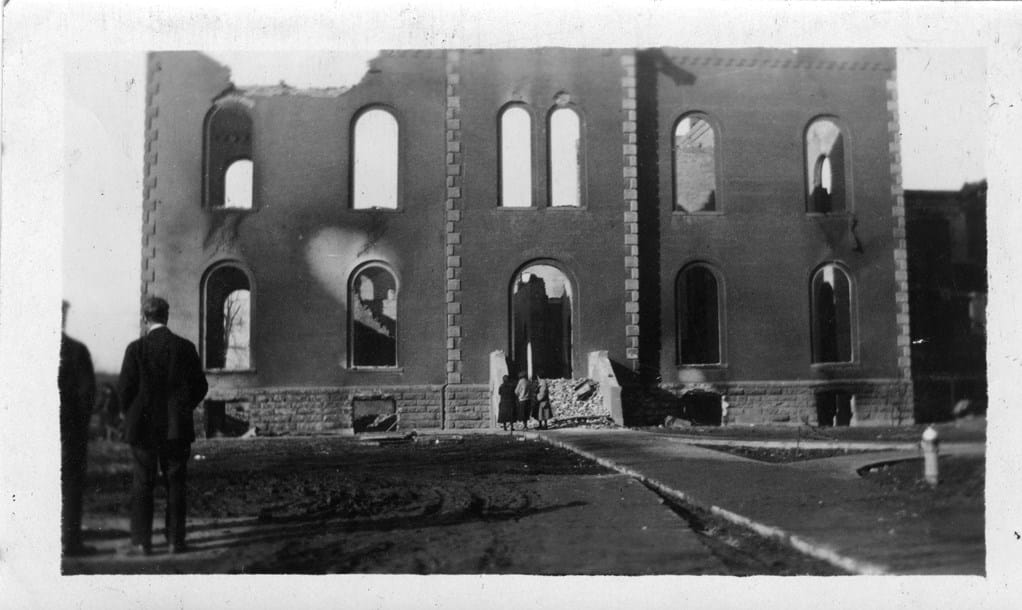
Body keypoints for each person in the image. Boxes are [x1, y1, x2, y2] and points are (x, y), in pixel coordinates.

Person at [118, 296, 208, 556]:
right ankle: (175, 541)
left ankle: (141, 543)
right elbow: (200, 386)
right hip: (175, 428)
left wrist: (133, 414)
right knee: (176, 483)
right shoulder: (185, 348)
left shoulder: (135, 349)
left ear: (146, 319)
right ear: (166, 317)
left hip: (143, 429)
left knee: (142, 483)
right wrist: (182, 410)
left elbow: (124, 390)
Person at [59, 300, 97, 556]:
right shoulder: (76, 351)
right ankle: (70, 542)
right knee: (71, 485)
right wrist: (79, 428)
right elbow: (87, 395)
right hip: (70, 433)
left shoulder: (24, 349)